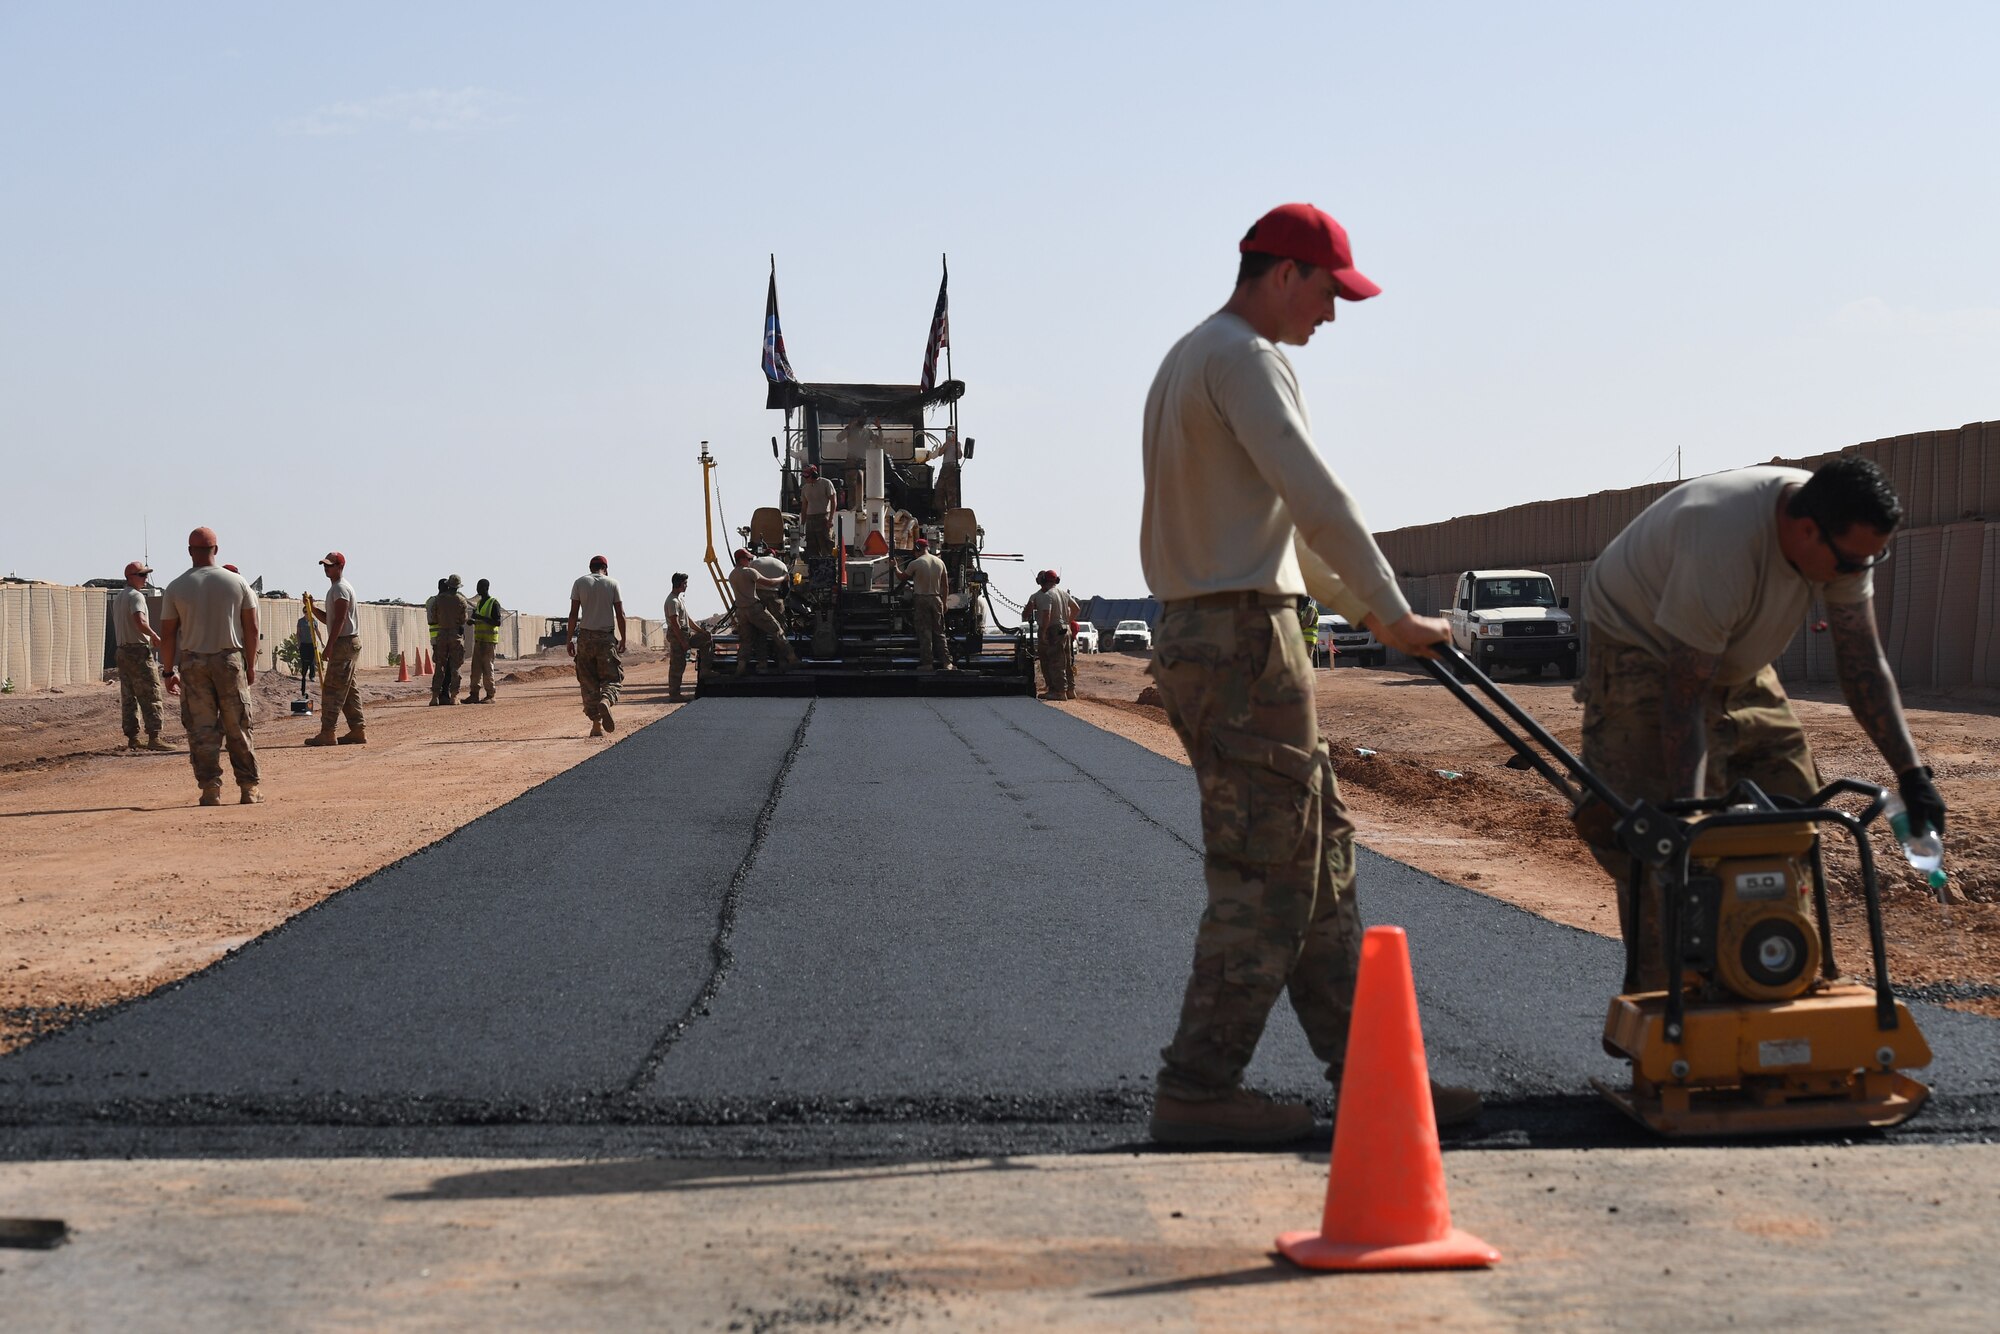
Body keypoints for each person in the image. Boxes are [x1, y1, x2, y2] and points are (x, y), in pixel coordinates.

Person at [1139, 203, 1479, 1145]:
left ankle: (1375, 1077)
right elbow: (1316, 494)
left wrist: (1375, 616)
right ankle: (1199, 1088)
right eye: (1330, 293)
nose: (1331, 317)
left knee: (1318, 861)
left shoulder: (1189, 357)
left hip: (1230, 630)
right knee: (1268, 874)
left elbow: (1281, 533)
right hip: (1242, 643)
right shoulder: (1245, 357)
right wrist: (1396, 606)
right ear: (1284, 272)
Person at [1576, 454, 1946, 987]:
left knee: (1794, 802)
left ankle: (1774, 964)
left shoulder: (1843, 542)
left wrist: (1912, 775)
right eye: (1851, 563)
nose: (1858, 574)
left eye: (1872, 561)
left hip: (1731, 655)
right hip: (1646, 647)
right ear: (1805, 531)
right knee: (1659, 837)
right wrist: (1687, 821)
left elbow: (1862, 662)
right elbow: (1684, 700)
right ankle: (1668, 997)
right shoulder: (1723, 541)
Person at [157, 527, 261, 805]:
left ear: (190, 551)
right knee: (238, 726)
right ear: (216, 549)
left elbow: (168, 635)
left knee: (202, 730)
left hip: (193, 664)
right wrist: (250, 665)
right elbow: (251, 628)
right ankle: (248, 788)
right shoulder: (237, 583)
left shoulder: (176, 587)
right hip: (229, 660)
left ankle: (210, 789)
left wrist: (169, 671)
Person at [306, 552, 366, 746]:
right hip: (346, 642)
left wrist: (329, 646)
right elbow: (331, 620)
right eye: (324, 565)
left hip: (343, 643)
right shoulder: (337, 589)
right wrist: (313, 609)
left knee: (332, 689)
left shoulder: (340, 589)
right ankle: (357, 730)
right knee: (348, 690)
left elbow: (340, 621)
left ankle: (328, 732)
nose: (326, 568)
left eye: (330, 565)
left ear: (340, 567)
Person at [111, 559, 170, 751]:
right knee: (151, 693)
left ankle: (133, 737)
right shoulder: (136, 596)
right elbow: (139, 620)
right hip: (137, 651)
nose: (146, 579)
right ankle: (155, 737)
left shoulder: (120, 597)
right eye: (142, 575)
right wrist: (153, 635)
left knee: (129, 696)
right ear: (131, 577)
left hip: (122, 651)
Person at [567, 555, 627, 736]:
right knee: (613, 679)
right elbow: (620, 613)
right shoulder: (613, 583)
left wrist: (569, 639)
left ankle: (596, 726)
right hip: (605, 639)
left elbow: (573, 614)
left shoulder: (579, 582)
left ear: (590, 567)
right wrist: (623, 638)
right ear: (605, 568)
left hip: (585, 638)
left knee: (588, 683)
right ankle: (606, 701)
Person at [728, 547, 797, 675]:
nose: (750, 560)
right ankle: (789, 660)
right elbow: (772, 584)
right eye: (748, 558)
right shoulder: (751, 571)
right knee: (778, 630)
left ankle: (752, 666)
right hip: (759, 606)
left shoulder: (732, 575)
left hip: (742, 611)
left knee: (752, 637)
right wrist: (783, 577)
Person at [903, 537, 952, 672]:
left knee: (925, 633)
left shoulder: (915, 563)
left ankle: (927, 663)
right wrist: (944, 602)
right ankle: (947, 663)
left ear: (918, 549)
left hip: (921, 599)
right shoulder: (940, 562)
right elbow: (945, 586)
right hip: (936, 599)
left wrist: (894, 567)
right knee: (940, 633)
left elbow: (902, 577)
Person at [1026, 570, 1075, 700]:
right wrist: (1067, 622)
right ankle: (1070, 690)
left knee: (1055, 660)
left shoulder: (1048, 595)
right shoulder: (1063, 593)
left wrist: (1044, 632)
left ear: (1042, 581)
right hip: (1065, 628)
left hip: (1053, 629)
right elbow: (1076, 609)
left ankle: (1059, 692)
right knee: (1066, 660)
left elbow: (1047, 615)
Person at [427, 575, 469, 705]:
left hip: (441, 635)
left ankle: (435, 697)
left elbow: (433, 619)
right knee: (455, 667)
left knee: (439, 667)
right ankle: (454, 696)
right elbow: (463, 620)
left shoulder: (438, 600)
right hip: (455, 635)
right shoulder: (461, 600)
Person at [464, 578, 502, 703]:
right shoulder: (480, 603)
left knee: (487, 668)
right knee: (475, 669)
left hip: (489, 641)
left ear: (486, 588)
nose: (477, 589)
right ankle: (474, 694)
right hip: (479, 641)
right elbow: (482, 620)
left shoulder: (493, 603)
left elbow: (497, 622)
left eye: (479, 587)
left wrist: (479, 617)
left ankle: (490, 695)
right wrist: (473, 621)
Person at [664, 572, 695, 702]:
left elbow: (688, 619)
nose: (687, 586)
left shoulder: (679, 599)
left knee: (706, 641)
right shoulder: (672, 601)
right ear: (680, 584)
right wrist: (683, 642)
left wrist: (702, 632)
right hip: (678, 635)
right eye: (685, 583)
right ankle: (674, 694)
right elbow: (675, 624)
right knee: (677, 665)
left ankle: (705, 672)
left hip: (684, 633)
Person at [800, 463, 839, 558]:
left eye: (807, 476)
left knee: (826, 543)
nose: (805, 479)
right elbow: (804, 507)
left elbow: (833, 501)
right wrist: (802, 525)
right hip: (810, 520)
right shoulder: (805, 488)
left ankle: (828, 565)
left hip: (823, 518)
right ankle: (814, 566)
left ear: (814, 475)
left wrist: (830, 519)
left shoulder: (826, 483)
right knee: (811, 545)